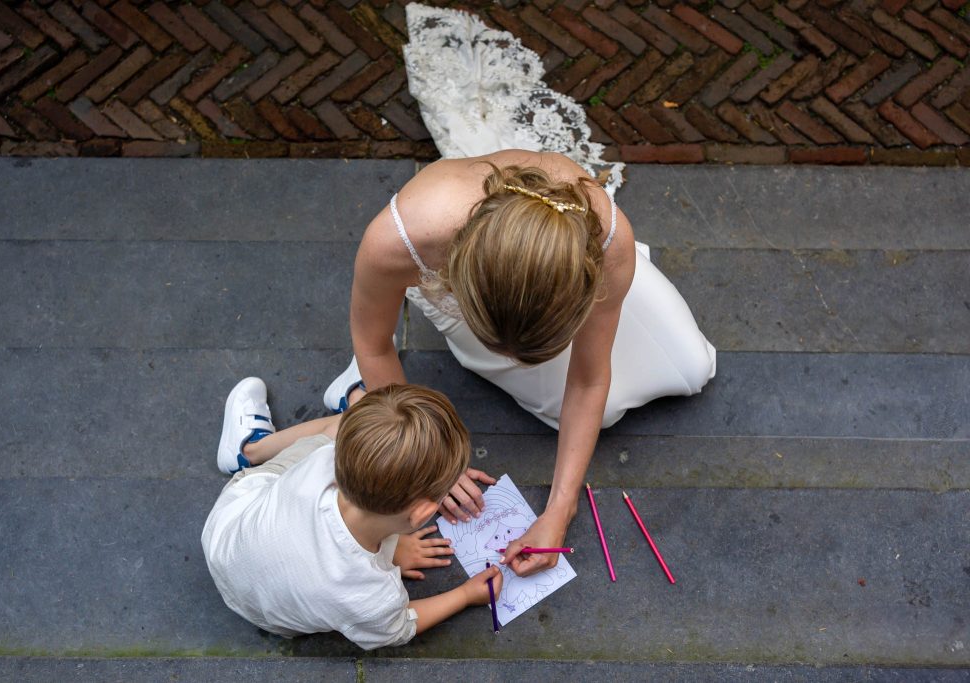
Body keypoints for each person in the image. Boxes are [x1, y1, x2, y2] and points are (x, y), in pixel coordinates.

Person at [324, 149, 716, 578]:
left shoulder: (608, 242)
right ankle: (358, 391)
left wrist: (560, 510)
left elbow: (587, 379)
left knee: (692, 367)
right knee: (603, 413)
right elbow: (373, 345)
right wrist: (429, 462)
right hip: (446, 260)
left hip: (570, 255)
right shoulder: (399, 238)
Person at [202, 377, 502, 650]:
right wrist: (465, 596)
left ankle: (254, 447)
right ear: (423, 511)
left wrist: (394, 545)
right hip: (272, 617)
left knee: (332, 428)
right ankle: (249, 447)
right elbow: (400, 627)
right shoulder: (374, 595)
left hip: (225, 534)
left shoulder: (325, 459)